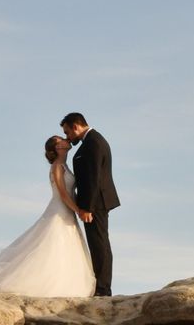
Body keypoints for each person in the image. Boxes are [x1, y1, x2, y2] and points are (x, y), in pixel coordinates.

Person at [0, 136, 95, 297]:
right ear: (57, 147)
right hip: (60, 209)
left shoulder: (65, 165)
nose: (66, 140)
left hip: (67, 211)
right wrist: (78, 209)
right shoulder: (57, 167)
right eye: (61, 140)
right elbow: (62, 193)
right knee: (53, 243)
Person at [60, 112, 120, 297]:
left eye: (67, 132)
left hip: (96, 203)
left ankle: (102, 290)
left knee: (99, 244)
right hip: (97, 201)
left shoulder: (93, 142)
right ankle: (102, 288)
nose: (67, 137)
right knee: (99, 244)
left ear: (76, 126)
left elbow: (93, 178)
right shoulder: (91, 141)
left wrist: (87, 207)